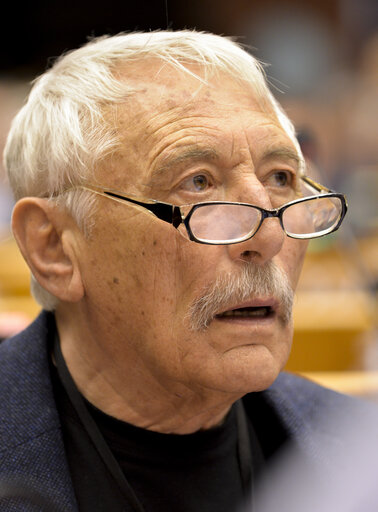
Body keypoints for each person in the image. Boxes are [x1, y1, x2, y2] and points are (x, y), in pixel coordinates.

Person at [0, 30, 371, 512]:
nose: (269, 237)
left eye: (280, 178)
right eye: (198, 184)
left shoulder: (359, 449)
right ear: (53, 247)